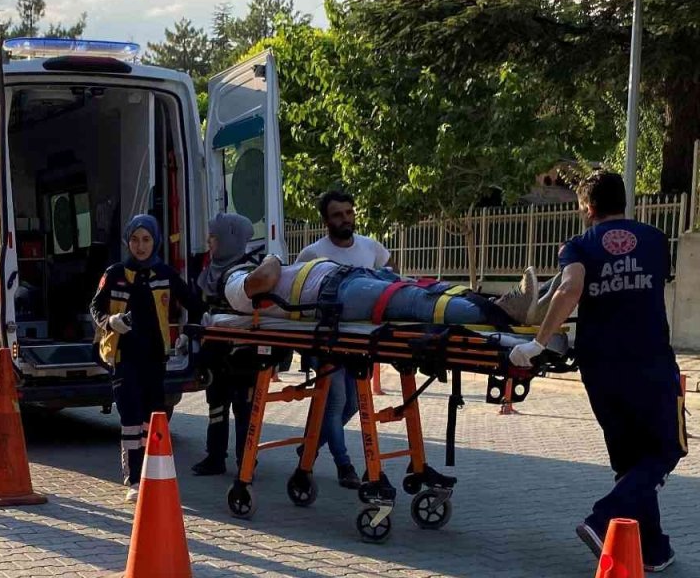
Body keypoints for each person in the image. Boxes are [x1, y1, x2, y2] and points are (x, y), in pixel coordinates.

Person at [510, 171, 686, 573]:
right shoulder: (656, 239)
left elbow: (569, 288)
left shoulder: (578, 245)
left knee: (631, 462)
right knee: (665, 449)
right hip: (649, 361)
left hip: (600, 365)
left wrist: (538, 344)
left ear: (586, 208)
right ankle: (602, 519)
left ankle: (655, 549)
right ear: (624, 201)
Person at [91, 214, 206, 502]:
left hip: (155, 358)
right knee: (130, 418)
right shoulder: (116, 273)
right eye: (134, 240)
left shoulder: (165, 274)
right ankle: (133, 479)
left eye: (146, 240)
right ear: (127, 241)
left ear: (154, 241)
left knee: (152, 419)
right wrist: (110, 321)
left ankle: (151, 472)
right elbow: (95, 306)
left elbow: (194, 303)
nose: (140, 246)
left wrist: (188, 333)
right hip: (123, 356)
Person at [293, 190, 393, 489]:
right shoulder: (312, 254)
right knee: (336, 401)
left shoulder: (371, 248)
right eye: (338, 214)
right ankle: (344, 464)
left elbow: (390, 280)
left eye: (349, 212)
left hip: (359, 343)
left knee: (351, 404)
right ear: (326, 220)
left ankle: (310, 445)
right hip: (325, 342)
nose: (345, 219)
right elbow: (298, 294)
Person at [223, 256, 537, 328]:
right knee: (415, 300)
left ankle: (504, 302)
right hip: (336, 294)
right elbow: (264, 279)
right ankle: (505, 312)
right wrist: (271, 257)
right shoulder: (233, 283)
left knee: (426, 287)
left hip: (346, 281)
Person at [191, 213, 260, 477]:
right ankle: (215, 457)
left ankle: (247, 460)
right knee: (216, 406)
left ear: (231, 240)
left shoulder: (246, 274)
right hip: (217, 353)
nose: (210, 243)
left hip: (244, 355)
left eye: (215, 238)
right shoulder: (209, 271)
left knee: (244, 410)